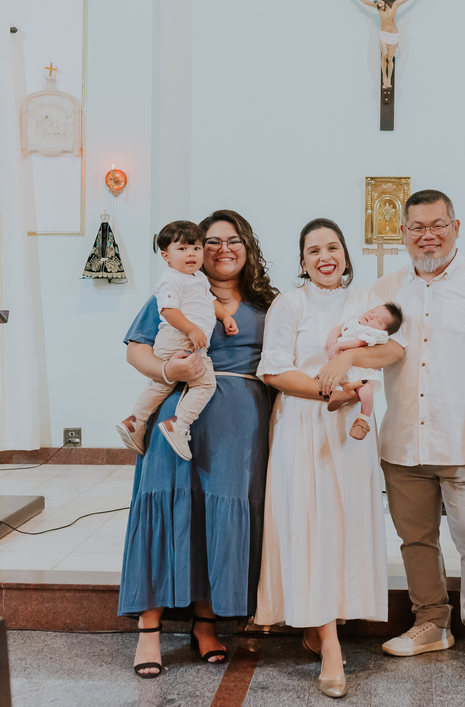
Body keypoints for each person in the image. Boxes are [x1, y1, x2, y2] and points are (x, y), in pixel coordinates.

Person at [370, 189, 465, 686]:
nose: (427, 235)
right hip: (403, 439)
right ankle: (431, 624)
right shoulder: (387, 287)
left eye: (437, 224)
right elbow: (368, 347)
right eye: (416, 227)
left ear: (456, 228)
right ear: (403, 234)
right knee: (415, 540)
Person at [118, 210, 279, 679]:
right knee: (168, 509)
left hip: (239, 427)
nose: (223, 249)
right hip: (178, 415)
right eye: (212, 241)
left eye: (234, 240)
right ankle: (149, 627)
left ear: (247, 247)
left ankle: (205, 623)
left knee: (218, 519)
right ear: (196, 249)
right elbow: (136, 348)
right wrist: (169, 372)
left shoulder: (267, 304)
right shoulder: (179, 289)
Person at [255, 218, 405, 699]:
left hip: (350, 433)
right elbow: (273, 370)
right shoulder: (289, 303)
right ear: (302, 260)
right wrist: (329, 394)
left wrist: (345, 362)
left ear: (344, 254)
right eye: (314, 249)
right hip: (303, 424)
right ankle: (332, 647)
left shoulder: (363, 300)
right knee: (311, 527)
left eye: (333, 247)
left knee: (343, 526)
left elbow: (395, 348)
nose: (325, 256)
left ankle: (321, 620)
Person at [115, 220, 239, 459]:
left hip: (183, 337)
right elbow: (168, 311)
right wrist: (192, 330)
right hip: (180, 337)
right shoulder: (172, 279)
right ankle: (179, 423)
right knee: (204, 383)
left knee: (161, 385)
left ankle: (135, 421)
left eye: (196, 248)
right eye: (181, 249)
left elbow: (209, 301)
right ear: (166, 256)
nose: (190, 253)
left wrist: (225, 317)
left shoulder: (197, 278)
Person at [324, 302, 404, 439]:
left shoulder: (373, 333)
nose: (371, 317)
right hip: (339, 367)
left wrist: (338, 345)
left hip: (357, 369)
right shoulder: (354, 321)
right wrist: (333, 335)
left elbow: (359, 343)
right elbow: (341, 328)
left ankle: (363, 420)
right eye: (372, 312)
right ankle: (340, 396)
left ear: (384, 331)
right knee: (332, 381)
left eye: (377, 320)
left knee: (366, 390)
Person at [347, 0, 424, 88]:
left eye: (379, 2)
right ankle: (384, 79)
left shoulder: (395, 6)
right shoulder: (379, 10)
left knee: (389, 57)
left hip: (393, 35)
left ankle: (389, 79)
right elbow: (364, 1)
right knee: (383, 56)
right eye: (377, 4)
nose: (378, 5)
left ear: (383, 0)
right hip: (383, 34)